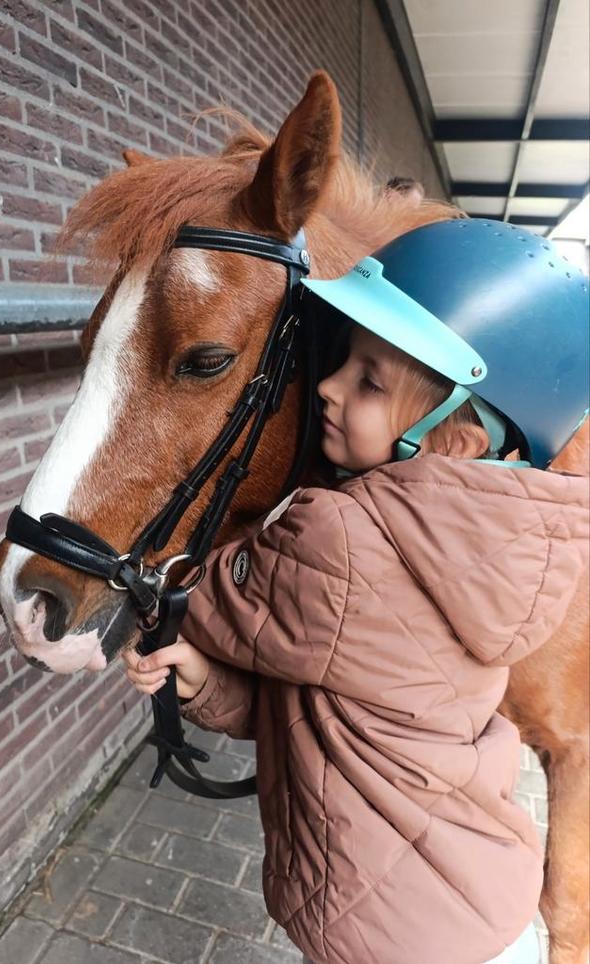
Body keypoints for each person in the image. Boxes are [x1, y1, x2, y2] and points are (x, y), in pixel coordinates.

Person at [122, 219, 589, 964]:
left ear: (452, 442)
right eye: (341, 361)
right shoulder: (499, 554)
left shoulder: (337, 539)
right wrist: (207, 685)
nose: (328, 388)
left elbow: (189, 590)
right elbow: (329, 716)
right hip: (476, 908)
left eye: (369, 381)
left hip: (395, 937)